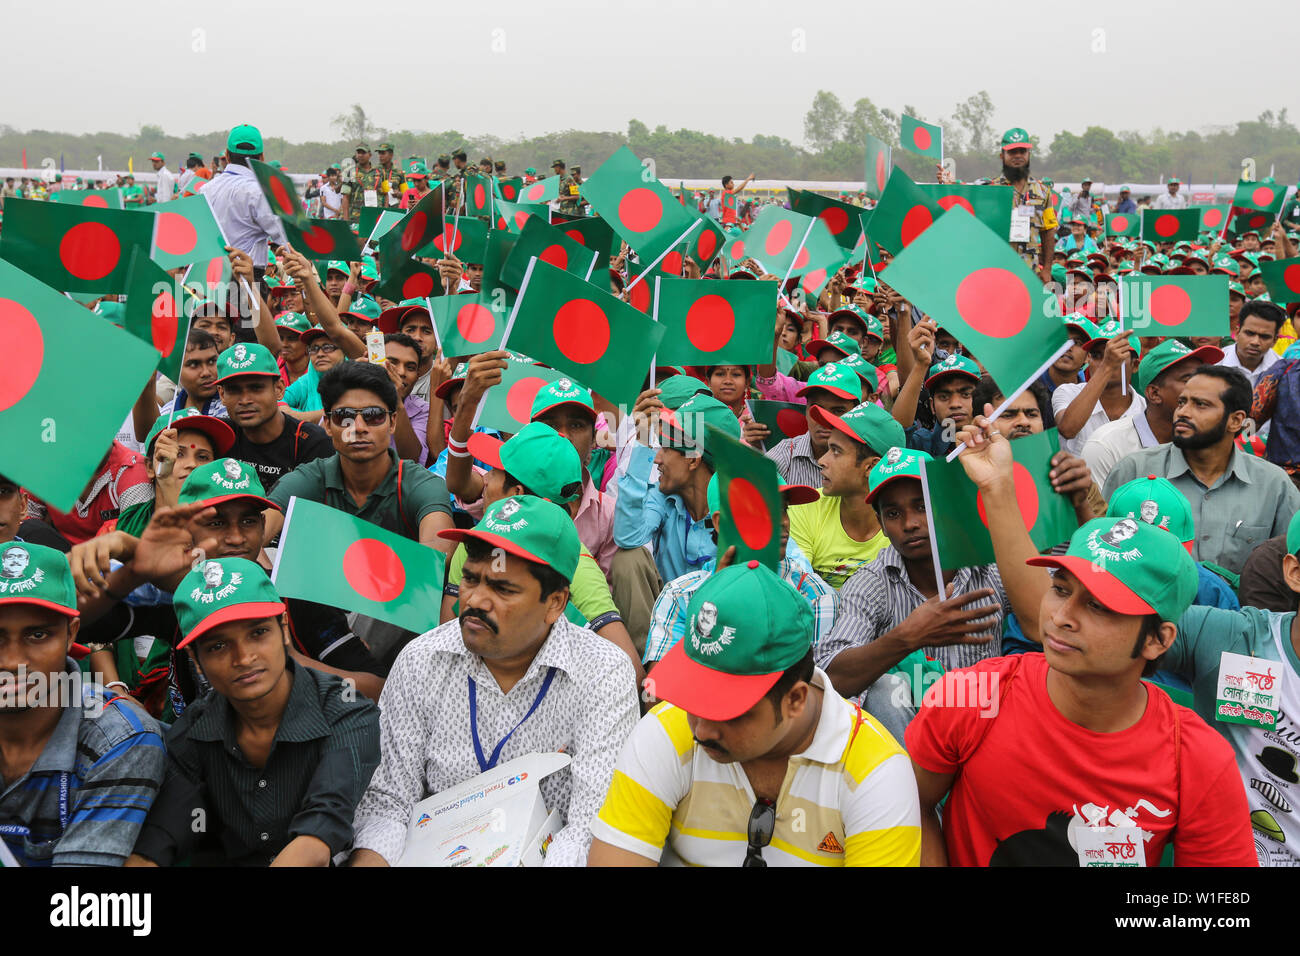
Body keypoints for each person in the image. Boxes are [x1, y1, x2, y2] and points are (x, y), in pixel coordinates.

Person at [907, 511, 1255, 866]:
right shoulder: (971, 695)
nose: (1061, 617)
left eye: (1098, 606)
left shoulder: (1198, 759)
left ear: (1156, 640)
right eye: (1060, 589)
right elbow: (909, 804)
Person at [349, 495, 639, 867]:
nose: (476, 601)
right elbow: (387, 803)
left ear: (555, 602)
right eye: (470, 579)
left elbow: (587, 828)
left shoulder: (602, 674)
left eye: (502, 589)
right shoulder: (422, 661)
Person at [589, 559, 920, 867]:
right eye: (692, 695)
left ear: (795, 699)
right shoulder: (663, 733)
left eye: (726, 709)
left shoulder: (875, 774)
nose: (701, 730)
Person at [124, 558, 380, 867]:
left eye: (257, 633)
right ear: (195, 656)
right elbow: (161, 838)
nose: (243, 658)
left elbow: (318, 834)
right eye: (218, 646)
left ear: (283, 628)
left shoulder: (346, 711)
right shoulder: (193, 733)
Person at [0, 541, 165, 866]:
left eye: (37, 635)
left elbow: (78, 905)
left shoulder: (118, 739)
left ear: (71, 633)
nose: (13, 661)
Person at [1104, 365, 1300, 577]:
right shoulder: (1135, 470)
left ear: (1235, 421)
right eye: (1182, 402)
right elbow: (1101, 551)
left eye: (1201, 405)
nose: (1183, 412)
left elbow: (1288, 569)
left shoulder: (1274, 485)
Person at [643, 472, 834, 666]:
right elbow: (661, 690)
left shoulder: (814, 597)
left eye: (783, 509)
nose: (782, 521)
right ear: (720, 522)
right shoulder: (680, 597)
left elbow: (815, 689)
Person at [265, 361, 454, 550]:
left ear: (392, 422)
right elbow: (253, 535)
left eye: (374, 415)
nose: (359, 428)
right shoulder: (308, 479)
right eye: (344, 416)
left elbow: (439, 552)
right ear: (328, 425)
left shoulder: (422, 484)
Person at [614, 393, 741, 585]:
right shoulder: (664, 496)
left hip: (720, 612)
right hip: (664, 613)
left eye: (665, 448)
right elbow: (628, 537)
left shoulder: (741, 514)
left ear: (692, 459)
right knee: (628, 559)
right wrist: (641, 440)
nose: (656, 459)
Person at [788, 400, 901, 588]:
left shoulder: (907, 524)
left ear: (871, 467)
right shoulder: (805, 507)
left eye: (836, 451)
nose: (822, 461)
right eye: (828, 449)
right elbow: (798, 589)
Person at [1082, 339, 1223, 488]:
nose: (1202, 388)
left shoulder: (1208, 442)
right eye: (1188, 379)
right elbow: (1101, 511)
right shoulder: (1107, 446)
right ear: (1154, 393)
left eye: (1202, 378)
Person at [215, 342, 334, 493]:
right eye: (234, 390)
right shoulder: (219, 435)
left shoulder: (313, 443)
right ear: (221, 394)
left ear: (279, 389)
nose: (245, 400)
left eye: (256, 388)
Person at [760, 363, 864, 488]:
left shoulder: (869, 462)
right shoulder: (781, 459)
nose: (824, 419)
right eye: (816, 409)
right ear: (806, 409)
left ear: (856, 412)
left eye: (838, 411)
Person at [201, 124, 287, 273]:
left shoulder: (205, 189)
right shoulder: (260, 192)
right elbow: (286, 238)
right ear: (261, 158)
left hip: (208, 277)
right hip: (247, 278)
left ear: (227, 155)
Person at [1052, 320, 1144, 455]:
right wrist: (1107, 366)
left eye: (1116, 357)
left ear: (1135, 365)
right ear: (1088, 359)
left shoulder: (1145, 410)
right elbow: (1068, 429)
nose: (1106, 361)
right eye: (1096, 356)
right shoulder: (1068, 392)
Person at [990, 127, 1058, 280]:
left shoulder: (1043, 191)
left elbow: (1048, 231)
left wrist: (1047, 269)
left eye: (1022, 151)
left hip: (1030, 272)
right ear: (1002, 155)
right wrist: (946, 184)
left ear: (1029, 155)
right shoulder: (991, 191)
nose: (1018, 156)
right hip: (999, 270)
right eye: (1012, 152)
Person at [1218, 300, 1283, 388]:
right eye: (1249, 333)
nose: (1255, 342)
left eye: (1264, 337)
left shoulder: (1283, 371)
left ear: (1274, 341)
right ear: (1237, 333)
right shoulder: (1216, 364)